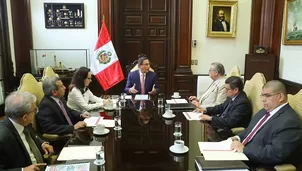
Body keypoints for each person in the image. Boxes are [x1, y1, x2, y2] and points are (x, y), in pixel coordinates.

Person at [229, 80, 302, 168]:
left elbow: (274, 154)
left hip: (254, 164)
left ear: (280, 96)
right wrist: (237, 138)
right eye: (262, 95)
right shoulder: (264, 111)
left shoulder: (289, 122)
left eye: (267, 96)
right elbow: (250, 131)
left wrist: (244, 149)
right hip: (239, 154)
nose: (263, 99)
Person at [0, 91, 54, 171]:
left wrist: (42, 143)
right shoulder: (3, 138)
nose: (36, 113)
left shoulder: (23, 122)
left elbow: (32, 136)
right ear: (25, 117)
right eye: (34, 110)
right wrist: (23, 170)